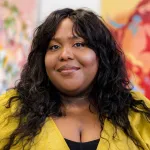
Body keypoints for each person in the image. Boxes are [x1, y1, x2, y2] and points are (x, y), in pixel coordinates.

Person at [0, 8, 150, 150]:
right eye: (54, 47)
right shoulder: (8, 111)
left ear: (101, 55)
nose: (65, 54)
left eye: (78, 44)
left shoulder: (138, 112)